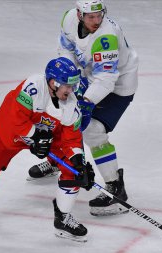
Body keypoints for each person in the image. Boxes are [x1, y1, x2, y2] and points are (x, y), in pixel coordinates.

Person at [0, 57, 95, 242]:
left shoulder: (71, 105)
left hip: (50, 136)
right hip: (11, 133)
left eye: (73, 86)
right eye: (67, 86)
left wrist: (78, 161)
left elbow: (72, 138)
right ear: (53, 83)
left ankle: (63, 219)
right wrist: (35, 137)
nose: (71, 91)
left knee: (74, 171)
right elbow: (13, 120)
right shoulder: (33, 87)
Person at [28, 0, 139, 217]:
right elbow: (65, 49)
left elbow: (106, 78)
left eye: (99, 16)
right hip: (90, 77)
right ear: (79, 14)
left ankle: (116, 186)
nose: (96, 21)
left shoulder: (106, 36)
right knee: (62, 115)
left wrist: (86, 103)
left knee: (92, 130)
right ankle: (59, 161)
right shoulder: (68, 18)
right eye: (91, 17)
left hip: (118, 85)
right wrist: (70, 75)